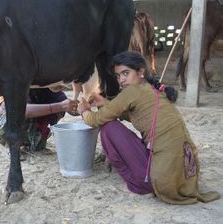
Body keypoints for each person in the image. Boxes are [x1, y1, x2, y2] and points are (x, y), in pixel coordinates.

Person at [77, 50, 220, 204]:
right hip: (183, 177)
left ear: (141, 72)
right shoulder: (154, 90)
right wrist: (105, 103)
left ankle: (140, 185)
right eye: (118, 76)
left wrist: (84, 110)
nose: (121, 80)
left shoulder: (132, 91)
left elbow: (95, 120)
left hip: (161, 182)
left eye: (126, 73)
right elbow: (139, 117)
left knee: (109, 127)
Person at [0, 88, 78, 153]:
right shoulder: (18, 78)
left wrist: (80, 108)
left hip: (28, 128)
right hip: (4, 129)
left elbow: (69, 107)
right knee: (16, 115)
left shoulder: (49, 86)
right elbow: (23, 110)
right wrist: (60, 106)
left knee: (60, 109)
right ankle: (12, 145)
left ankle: (36, 141)